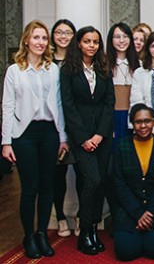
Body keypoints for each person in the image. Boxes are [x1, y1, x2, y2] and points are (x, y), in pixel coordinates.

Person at [2, 20, 69, 259]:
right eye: (36, 37)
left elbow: (59, 105)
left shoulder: (53, 69)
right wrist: (6, 141)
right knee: (29, 188)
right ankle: (28, 235)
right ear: (27, 41)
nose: (41, 42)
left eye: (44, 38)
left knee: (47, 185)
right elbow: (8, 106)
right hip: (24, 135)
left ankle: (42, 233)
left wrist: (62, 136)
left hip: (49, 133)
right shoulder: (14, 70)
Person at [60, 26, 115, 255]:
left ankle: (93, 228)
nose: (91, 45)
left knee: (101, 181)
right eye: (87, 41)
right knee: (91, 179)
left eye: (95, 42)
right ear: (79, 44)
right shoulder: (68, 70)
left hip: (101, 135)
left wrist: (100, 135)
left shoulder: (103, 69)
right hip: (80, 137)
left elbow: (108, 102)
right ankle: (84, 232)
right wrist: (84, 138)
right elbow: (68, 106)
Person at [112, 104, 154, 261]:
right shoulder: (122, 146)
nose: (143, 125)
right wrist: (138, 213)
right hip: (129, 209)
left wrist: (150, 212)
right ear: (132, 123)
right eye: (138, 121)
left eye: (147, 121)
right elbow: (119, 183)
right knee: (125, 253)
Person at [50, 19, 79, 238]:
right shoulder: (47, 62)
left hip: (76, 125)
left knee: (82, 173)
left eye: (68, 32)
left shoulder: (78, 62)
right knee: (57, 174)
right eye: (59, 32)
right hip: (52, 124)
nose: (63, 36)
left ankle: (80, 216)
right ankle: (60, 217)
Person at [107, 23, 141, 148]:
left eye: (125, 36)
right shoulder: (104, 64)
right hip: (111, 116)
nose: (121, 40)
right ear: (111, 40)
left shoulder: (139, 65)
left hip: (132, 116)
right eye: (117, 37)